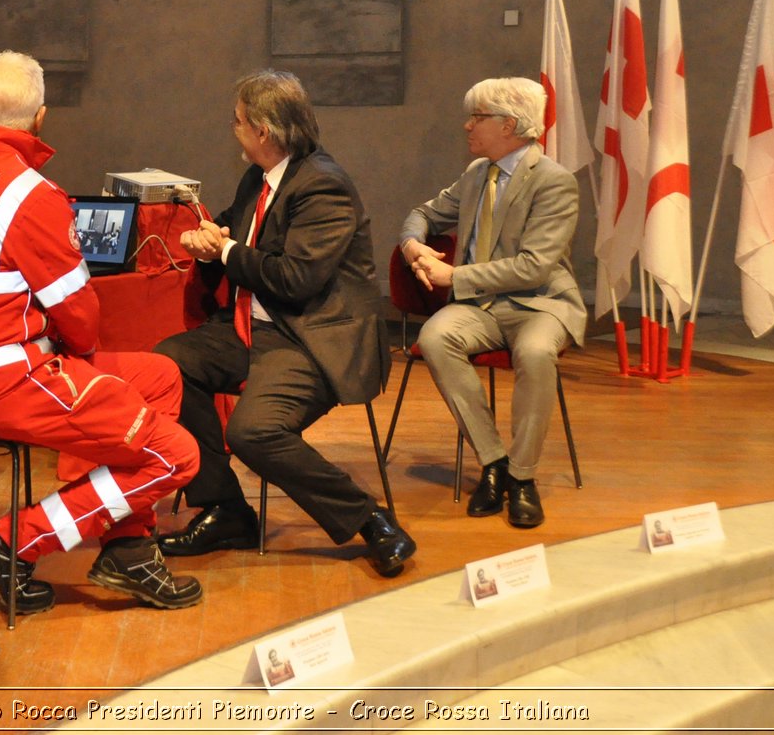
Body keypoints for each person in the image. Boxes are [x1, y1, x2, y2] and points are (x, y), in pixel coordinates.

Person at [0, 50, 202, 615]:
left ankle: (127, 550)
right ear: (41, 117)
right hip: (13, 379)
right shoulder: (32, 195)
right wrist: (77, 358)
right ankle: (14, 541)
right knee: (176, 457)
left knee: (161, 377)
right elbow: (81, 319)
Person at [154, 70, 416, 578]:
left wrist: (226, 249)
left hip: (311, 337)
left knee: (253, 432)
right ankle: (226, 509)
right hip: (253, 326)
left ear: (263, 132)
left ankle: (372, 522)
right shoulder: (260, 175)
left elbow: (295, 279)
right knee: (168, 365)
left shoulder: (324, 187)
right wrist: (209, 240)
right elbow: (233, 227)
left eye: (237, 122)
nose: (233, 130)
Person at [399, 76, 585, 529]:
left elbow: (534, 267)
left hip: (539, 304)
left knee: (537, 352)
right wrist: (412, 245)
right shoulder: (476, 174)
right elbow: (423, 214)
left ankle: (522, 477)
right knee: (436, 336)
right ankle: (494, 461)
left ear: (509, 125)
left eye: (477, 117)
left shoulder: (555, 182)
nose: (467, 126)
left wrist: (454, 276)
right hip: (480, 306)